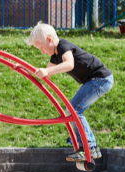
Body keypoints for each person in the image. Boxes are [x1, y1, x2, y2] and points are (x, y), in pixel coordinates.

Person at [24, 22, 114, 162]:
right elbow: (44, 75)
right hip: (96, 80)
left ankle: (88, 147)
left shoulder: (63, 46)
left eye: (41, 47)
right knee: (73, 110)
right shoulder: (55, 56)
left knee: (74, 109)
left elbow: (69, 64)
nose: (41, 51)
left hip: (101, 78)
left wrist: (47, 70)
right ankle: (92, 148)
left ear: (49, 39)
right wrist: (24, 69)